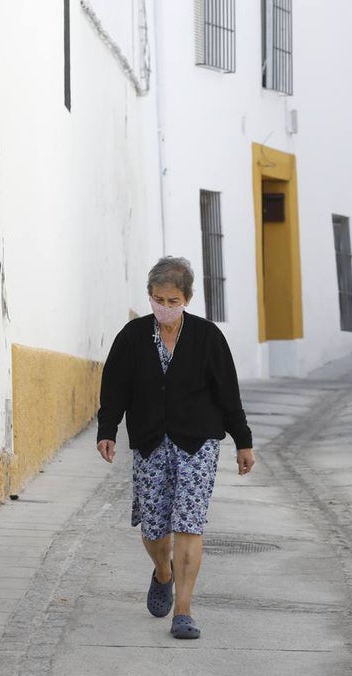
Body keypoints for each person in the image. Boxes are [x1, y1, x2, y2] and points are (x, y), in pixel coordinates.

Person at [96, 257, 255, 639]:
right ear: (149, 296)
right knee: (154, 527)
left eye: (172, 300)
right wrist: (108, 430)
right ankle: (162, 572)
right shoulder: (133, 337)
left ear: (188, 298)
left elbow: (228, 394)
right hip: (150, 440)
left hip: (198, 441)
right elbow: (114, 387)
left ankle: (183, 610)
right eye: (158, 299)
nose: (164, 307)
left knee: (189, 522)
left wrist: (243, 441)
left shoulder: (207, 337)